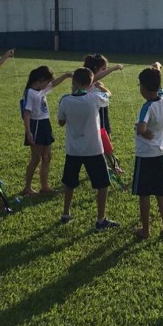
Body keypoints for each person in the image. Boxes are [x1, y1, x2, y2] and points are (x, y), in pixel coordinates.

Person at [58, 67, 120, 231]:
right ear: (90, 83)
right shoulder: (95, 98)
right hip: (93, 150)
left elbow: (61, 122)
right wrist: (101, 87)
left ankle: (66, 214)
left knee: (69, 183)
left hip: (73, 150)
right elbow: (109, 95)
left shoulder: (65, 100)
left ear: (73, 82)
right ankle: (100, 220)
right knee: (102, 185)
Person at [133, 62, 163, 239]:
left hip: (145, 156)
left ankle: (145, 230)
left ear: (144, 88)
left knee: (144, 195)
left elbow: (142, 128)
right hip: (160, 155)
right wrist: (157, 67)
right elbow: (159, 81)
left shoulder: (147, 107)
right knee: (160, 193)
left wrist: (140, 130)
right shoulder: (162, 99)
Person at [21, 66, 72, 195]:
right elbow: (26, 114)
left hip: (45, 124)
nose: (49, 84)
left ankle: (44, 186)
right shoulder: (30, 92)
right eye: (47, 82)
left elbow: (53, 84)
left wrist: (66, 75)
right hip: (36, 126)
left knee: (47, 157)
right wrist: (29, 132)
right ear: (41, 80)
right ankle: (27, 187)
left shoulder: (41, 90)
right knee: (36, 158)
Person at [83, 53, 123, 136]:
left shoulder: (97, 83)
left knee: (106, 133)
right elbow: (95, 77)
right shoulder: (87, 80)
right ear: (95, 68)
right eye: (103, 69)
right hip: (93, 112)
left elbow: (108, 94)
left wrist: (102, 88)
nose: (105, 71)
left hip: (102, 110)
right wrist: (113, 68)